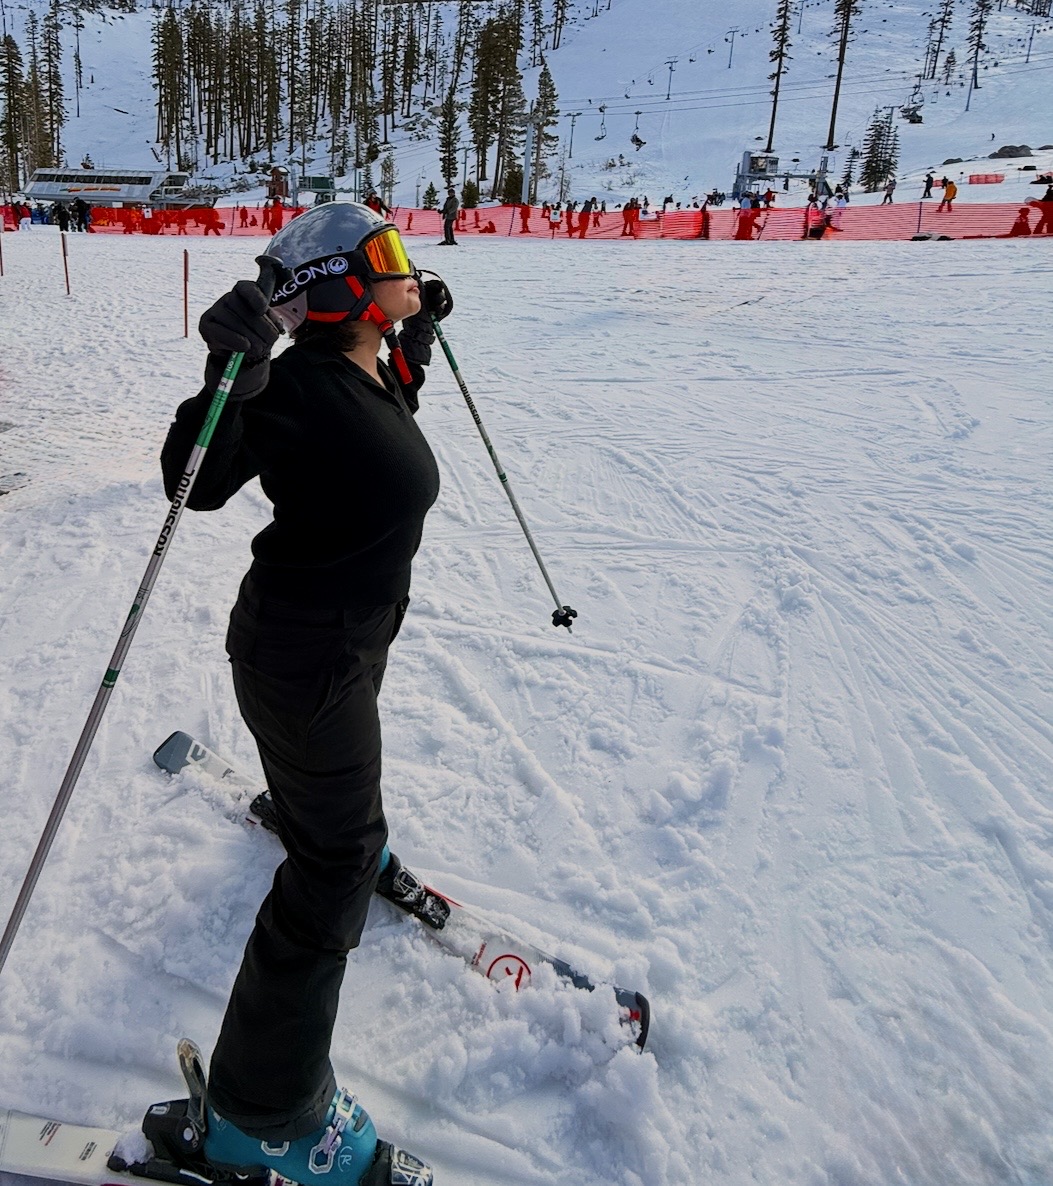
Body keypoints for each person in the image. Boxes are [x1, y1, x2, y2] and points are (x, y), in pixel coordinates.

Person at [160, 203, 449, 1186]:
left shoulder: (365, 365)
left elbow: (373, 437)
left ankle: (315, 807)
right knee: (336, 862)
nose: (408, 264)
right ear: (338, 287)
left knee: (332, 803)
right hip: (305, 656)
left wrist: (411, 345)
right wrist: (227, 375)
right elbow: (192, 480)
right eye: (389, 258)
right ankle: (258, 1110)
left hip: (343, 642)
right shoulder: (294, 387)